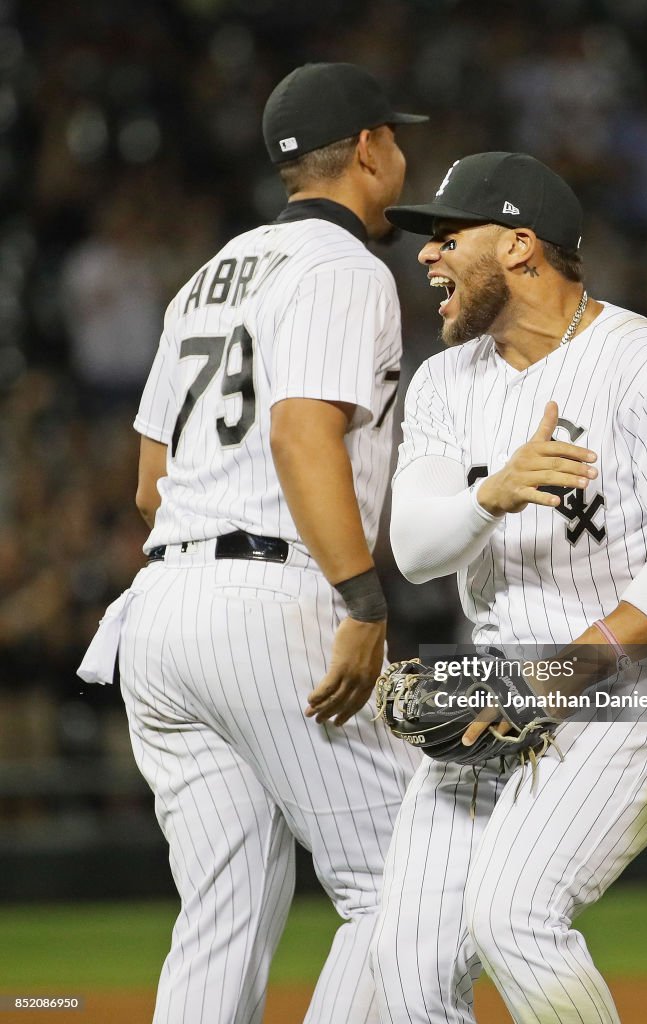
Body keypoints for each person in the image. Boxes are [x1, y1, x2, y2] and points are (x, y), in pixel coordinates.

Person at [370, 152, 647, 1024]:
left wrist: (559, 677)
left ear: (518, 246)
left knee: (513, 917)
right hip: (492, 690)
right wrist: (490, 494)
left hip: (631, 697)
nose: (426, 255)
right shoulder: (444, 380)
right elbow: (417, 549)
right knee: (406, 961)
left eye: (446, 235)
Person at [78, 62, 427, 1024]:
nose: (401, 151)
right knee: (410, 884)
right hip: (275, 596)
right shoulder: (343, 267)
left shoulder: (205, 277)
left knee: (220, 916)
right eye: (394, 136)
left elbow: (151, 483)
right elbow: (300, 430)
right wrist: (360, 598)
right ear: (366, 149)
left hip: (161, 610)